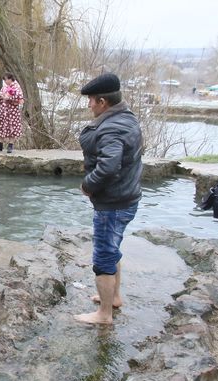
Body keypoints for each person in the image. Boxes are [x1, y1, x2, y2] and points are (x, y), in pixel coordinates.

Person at [73, 72, 143, 325]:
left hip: (113, 203)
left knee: (103, 256)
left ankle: (104, 314)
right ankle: (114, 298)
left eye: (91, 100)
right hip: (126, 197)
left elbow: (109, 166)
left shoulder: (112, 127)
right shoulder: (126, 118)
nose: (89, 105)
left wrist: (88, 185)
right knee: (113, 249)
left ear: (102, 102)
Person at [0, 72, 23, 154]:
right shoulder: (5, 86)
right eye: (4, 80)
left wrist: (9, 98)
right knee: (2, 126)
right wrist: (1, 96)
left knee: (12, 127)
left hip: (12, 111)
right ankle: (0, 144)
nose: (5, 81)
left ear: (10, 79)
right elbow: (1, 94)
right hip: (4, 110)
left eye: (6, 79)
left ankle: (10, 145)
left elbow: (20, 97)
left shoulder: (16, 86)